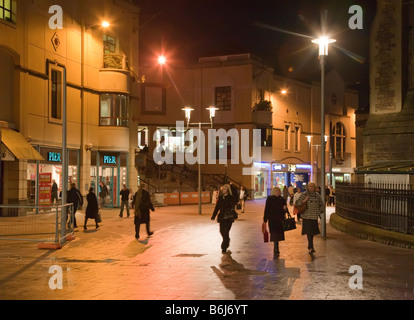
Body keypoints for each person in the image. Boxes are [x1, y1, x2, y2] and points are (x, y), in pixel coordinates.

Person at [295, 182, 324, 254]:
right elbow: (297, 203)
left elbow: (322, 204)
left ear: (314, 187)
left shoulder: (317, 195)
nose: (311, 188)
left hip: (314, 216)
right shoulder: (304, 194)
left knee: (313, 232)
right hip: (307, 216)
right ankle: (311, 246)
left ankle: (310, 245)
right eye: (310, 186)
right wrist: (304, 200)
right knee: (309, 232)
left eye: (312, 186)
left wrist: (319, 211)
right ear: (307, 187)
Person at [211, 184, 237, 254]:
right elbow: (217, 207)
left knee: (226, 232)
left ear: (228, 190)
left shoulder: (231, 198)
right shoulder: (220, 198)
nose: (223, 190)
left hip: (229, 218)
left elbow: (232, 207)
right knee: (222, 231)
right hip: (222, 217)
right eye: (222, 189)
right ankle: (227, 240)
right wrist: (213, 215)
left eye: (224, 189)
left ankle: (224, 247)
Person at [263, 187, 287, 256]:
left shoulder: (282, 199)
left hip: (280, 219)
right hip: (272, 219)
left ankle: (276, 246)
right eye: (276, 191)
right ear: (273, 191)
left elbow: (285, 210)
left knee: (279, 234)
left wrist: (285, 209)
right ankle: (276, 248)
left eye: (279, 191)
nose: (278, 192)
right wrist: (265, 219)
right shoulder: (270, 199)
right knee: (274, 233)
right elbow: (266, 209)